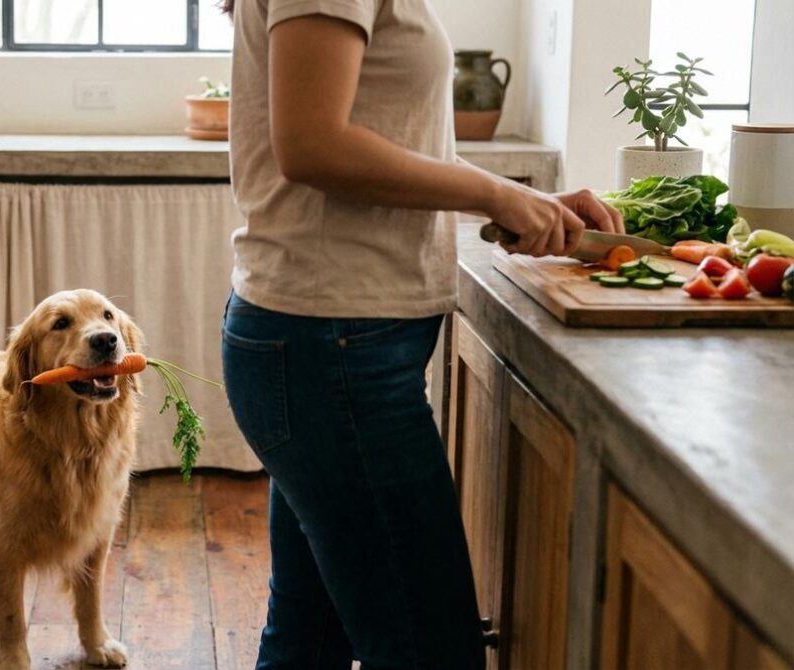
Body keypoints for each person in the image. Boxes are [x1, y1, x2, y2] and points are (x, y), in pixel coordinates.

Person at [219, 0, 624, 668]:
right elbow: (314, 144)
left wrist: (529, 202)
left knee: (309, 640)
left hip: (330, 346)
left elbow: (383, 128)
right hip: (332, 350)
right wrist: (497, 195)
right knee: (429, 650)